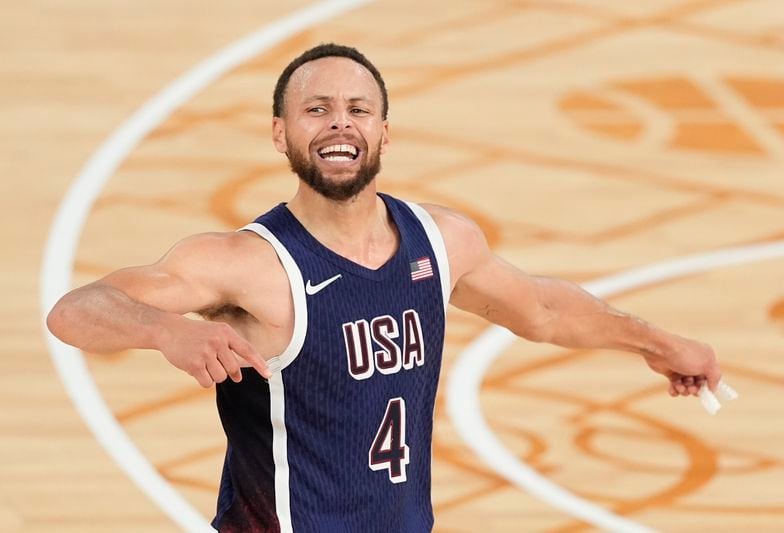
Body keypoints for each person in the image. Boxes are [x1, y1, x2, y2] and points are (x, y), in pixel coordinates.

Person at [46, 43, 721, 532]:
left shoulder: (440, 240)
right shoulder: (245, 263)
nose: (340, 122)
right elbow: (73, 310)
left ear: (383, 132)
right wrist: (166, 330)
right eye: (316, 109)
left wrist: (657, 342)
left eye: (357, 109)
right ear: (281, 133)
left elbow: (542, 307)